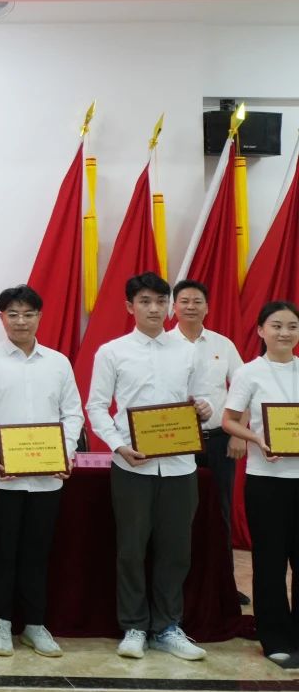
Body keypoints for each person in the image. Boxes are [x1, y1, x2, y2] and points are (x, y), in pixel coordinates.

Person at [86, 272, 212, 662]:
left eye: (160, 301)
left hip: (180, 466)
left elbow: (202, 401)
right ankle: (134, 626)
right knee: (131, 549)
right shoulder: (112, 352)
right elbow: (95, 406)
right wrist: (119, 446)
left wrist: (205, 408)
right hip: (132, 466)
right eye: (145, 301)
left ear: (169, 306)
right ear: (130, 307)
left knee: (176, 550)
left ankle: (167, 626)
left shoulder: (188, 351)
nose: (154, 309)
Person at [0, 285, 82, 658]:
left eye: (28, 314)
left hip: (47, 478)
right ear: (2, 319)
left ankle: (34, 625)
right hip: (0, 476)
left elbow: (72, 412)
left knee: (37, 553)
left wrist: (66, 452)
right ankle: (0, 623)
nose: (21, 321)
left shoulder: (58, 362)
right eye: (13, 314)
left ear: (39, 317)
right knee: (1, 552)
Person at [222, 300, 299, 669]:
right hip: (266, 480)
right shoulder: (249, 372)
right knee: (269, 561)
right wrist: (257, 439)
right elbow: (229, 420)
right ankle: (275, 637)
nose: (284, 332)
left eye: (292, 326)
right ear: (261, 330)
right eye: (276, 325)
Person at [167, 279, 248, 605]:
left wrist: (238, 433)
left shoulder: (222, 344)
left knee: (220, 513)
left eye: (197, 301)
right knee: (176, 515)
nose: (190, 306)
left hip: (218, 441)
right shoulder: (163, 345)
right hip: (176, 441)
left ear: (207, 307)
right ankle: (179, 587)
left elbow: (245, 389)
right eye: (184, 301)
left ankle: (223, 586)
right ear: (174, 307)